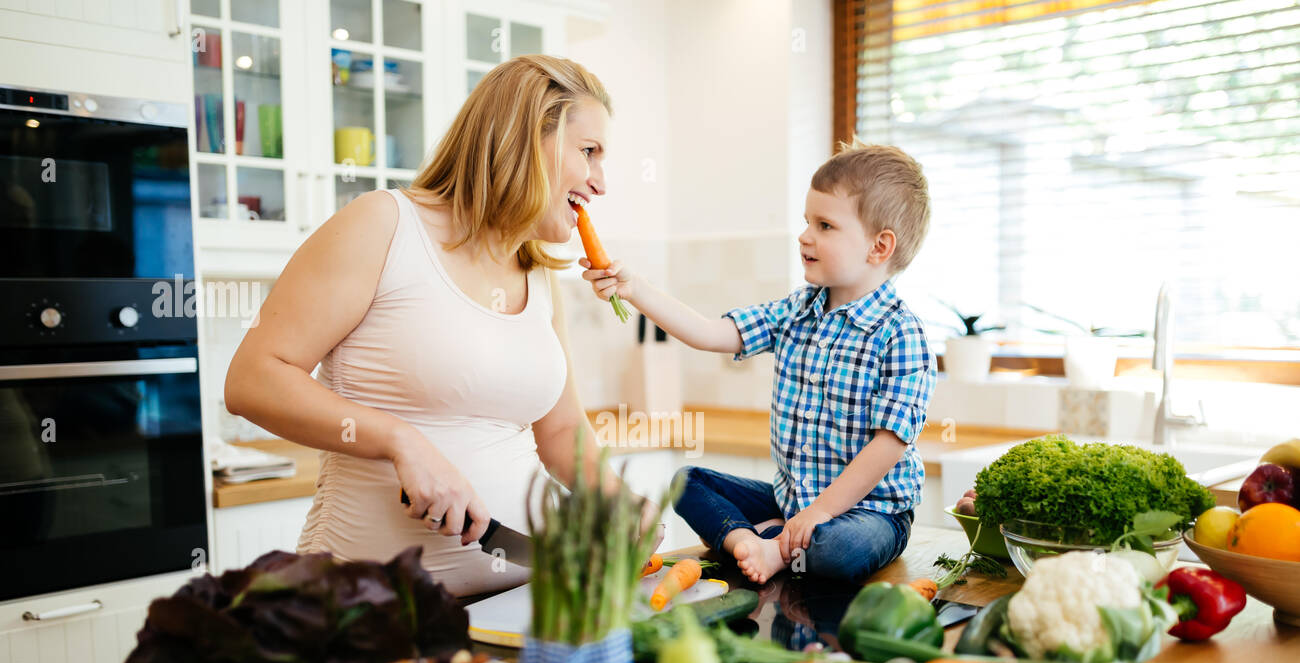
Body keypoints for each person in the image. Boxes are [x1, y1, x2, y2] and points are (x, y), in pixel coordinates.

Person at [224, 55, 662, 597]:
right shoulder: (384, 224)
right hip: (365, 610)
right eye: (589, 152)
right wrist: (400, 441)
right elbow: (251, 380)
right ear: (526, 139)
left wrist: (617, 500)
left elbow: (561, 432)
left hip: (513, 608)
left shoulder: (539, 272)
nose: (600, 183)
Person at [580, 142, 936, 584]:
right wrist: (635, 289)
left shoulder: (903, 334)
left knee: (836, 552)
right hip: (793, 504)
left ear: (879, 247)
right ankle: (751, 542)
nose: (805, 236)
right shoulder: (796, 310)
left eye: (825, 225)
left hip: (870, 514)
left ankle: (775, 546)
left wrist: (821, 513)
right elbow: (709, 333)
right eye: (807, 221)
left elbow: (887, 447)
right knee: (687, 481)